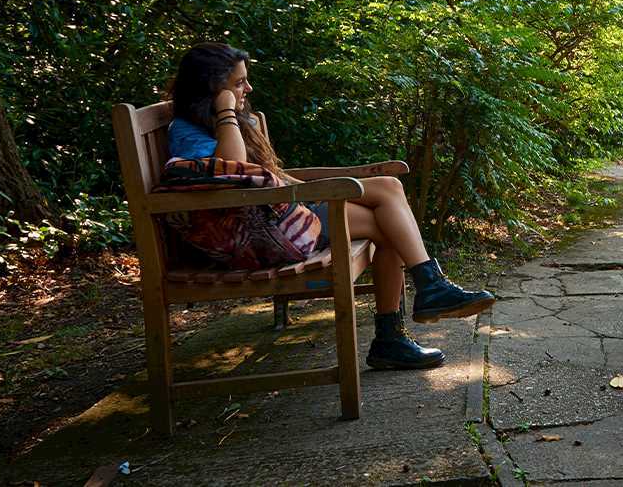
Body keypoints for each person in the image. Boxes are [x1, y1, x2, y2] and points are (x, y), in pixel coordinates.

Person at [166, 43, 495, 371]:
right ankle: (407, 317)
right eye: (238, 83)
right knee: (389, 210)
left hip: (275, 215)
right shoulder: (188, 130)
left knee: (389, 204)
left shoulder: (232, 121)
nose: (248, 89)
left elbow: (269, 177)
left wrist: (306, 191)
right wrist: (226, 113)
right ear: (211, 86)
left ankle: (416, 306)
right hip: (257, 234)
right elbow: (233, 171)